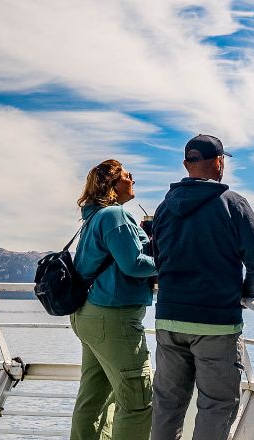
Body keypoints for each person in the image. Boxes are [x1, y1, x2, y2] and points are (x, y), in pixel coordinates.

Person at [150, 135, 254, 440]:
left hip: (168, 319)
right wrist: (247, 291)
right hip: (215, 322)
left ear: (186, 164)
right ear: (218, 162)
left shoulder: (164, 208)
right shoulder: (232, 204)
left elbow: (156, 258)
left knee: (167, 403)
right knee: (217, 404)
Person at [70, 159, 157, 440]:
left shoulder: (94, 217)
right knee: (137, 401)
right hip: (113, 319)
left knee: (94, 398)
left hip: (88, 314)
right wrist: (171, 260)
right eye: (128, 175)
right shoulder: (114, 216)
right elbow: (133, 265)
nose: (133, 180)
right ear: (113, 184)